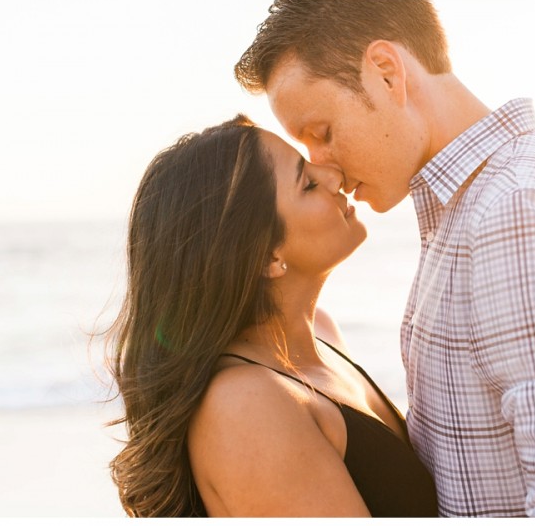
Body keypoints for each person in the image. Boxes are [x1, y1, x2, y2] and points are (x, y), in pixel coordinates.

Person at [234, 0, 535, 517]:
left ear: (387, 72)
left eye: (323, 133)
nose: (327, 170)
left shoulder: (516, 210)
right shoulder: (473, 207)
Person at [105, 115, 438, 517]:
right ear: (266, 255)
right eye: (308, 184)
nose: (333, 176)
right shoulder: (244, 407)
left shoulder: (324, 337)